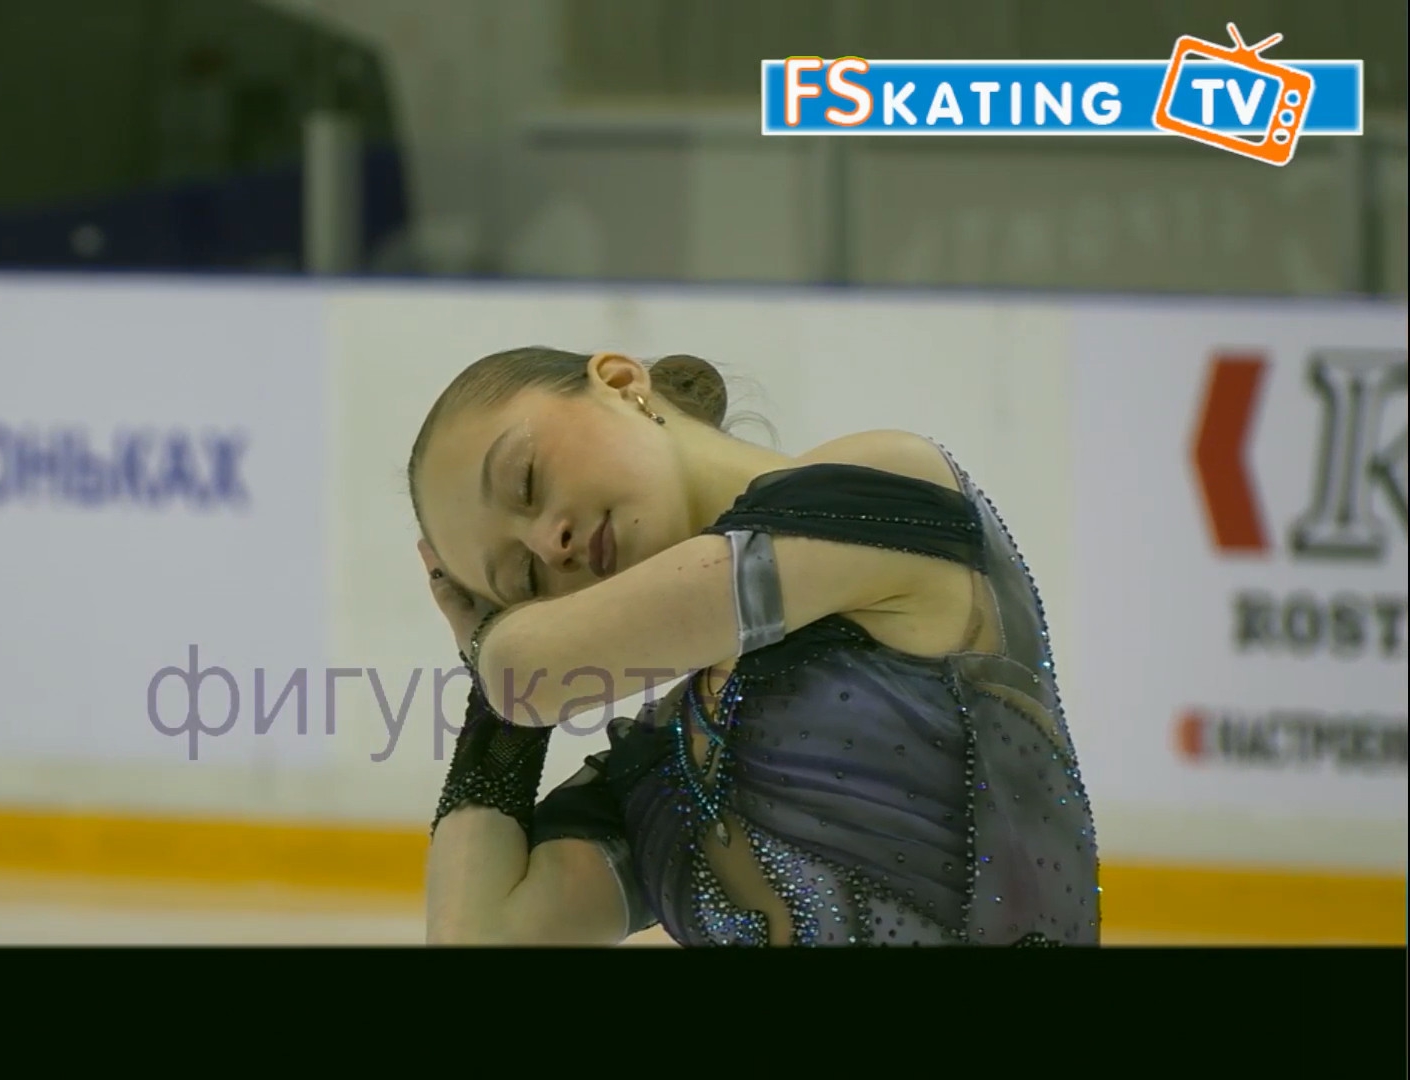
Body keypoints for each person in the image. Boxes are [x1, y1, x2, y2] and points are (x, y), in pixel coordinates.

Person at [407, 347, 1100, 947]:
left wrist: (496, 644)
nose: (548, 543)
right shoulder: (667, 773)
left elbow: (527, 670)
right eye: (526, 579)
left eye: (525, 479)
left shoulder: (888, 486)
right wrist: (496, 692)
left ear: (620, 381)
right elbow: (479, 936)